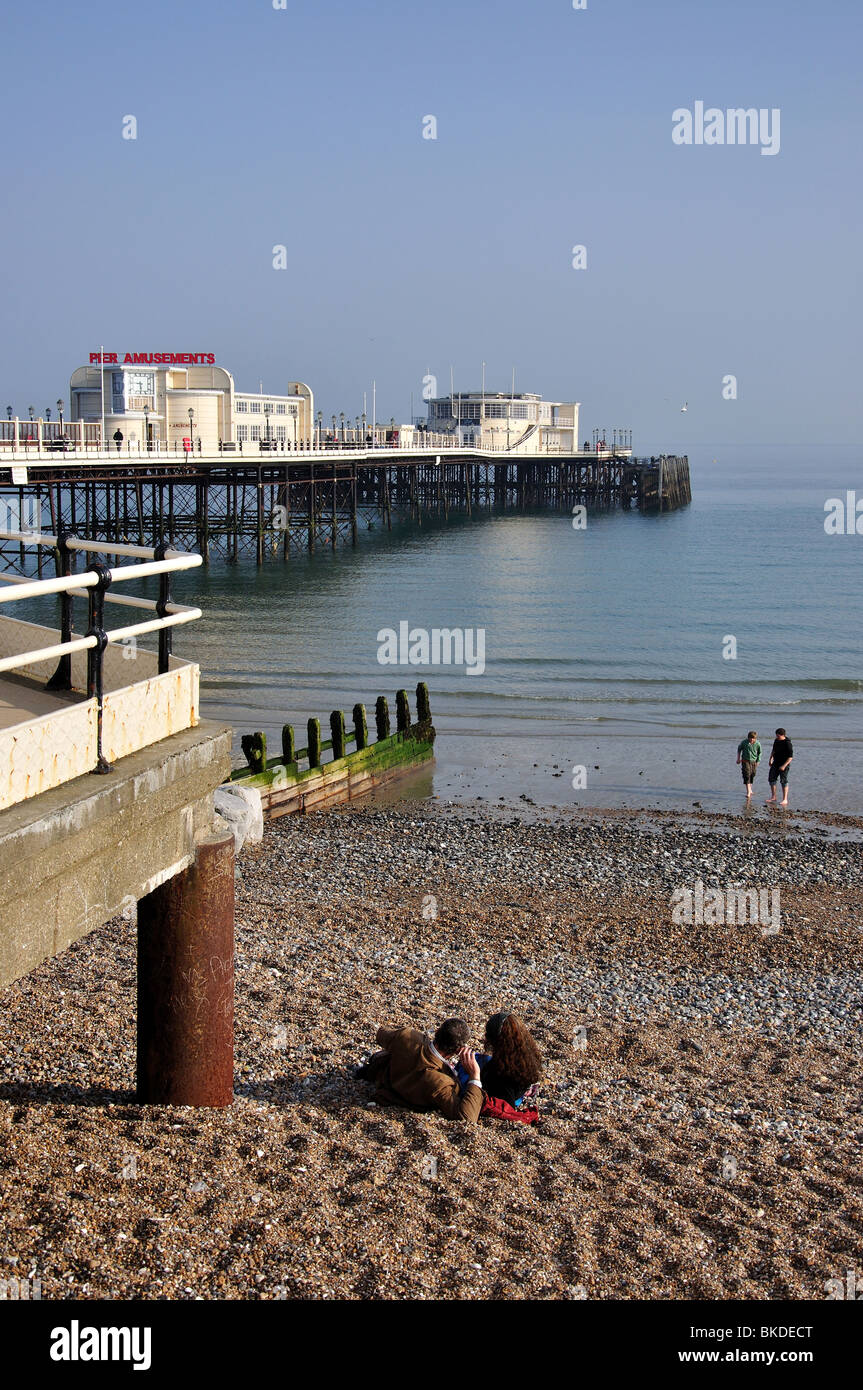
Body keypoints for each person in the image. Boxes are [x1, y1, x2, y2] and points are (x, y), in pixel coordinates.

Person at [356, 1018, 483, 1122]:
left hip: (387, 1081)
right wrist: (475, 1076)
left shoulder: (407, 1037)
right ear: (458, 1050)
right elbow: (467, 1118)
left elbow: (381, 1034)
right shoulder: (441, 1081)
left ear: (438, 1031)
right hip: (407, 1100)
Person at [457, 1012, 543, 1109]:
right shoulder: (528, 1057)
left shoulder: (499, 1073)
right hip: (518, 1090)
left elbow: (506, 1109)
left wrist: (474, 1076)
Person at [766, 727, 794, 806]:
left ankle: (785, 799)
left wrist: (784, 766)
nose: (777, 737)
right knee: (771, 779)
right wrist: (770, 759)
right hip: (775, 763)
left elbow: (790, 757)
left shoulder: (788, 743)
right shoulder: (776, 741)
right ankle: (773, 796)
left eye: (778, 736)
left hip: (784, 764)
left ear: (783, 735)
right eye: (776, 736)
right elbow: (773, 750)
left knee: (783, 781)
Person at [736, 730, 762, 799]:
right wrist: (738, 758)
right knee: (747, 774)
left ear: (755, 738)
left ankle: (750, 789)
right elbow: (739, 749)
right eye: (750, 738)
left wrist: (758, 761)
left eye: (753, 738)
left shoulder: (758, 743)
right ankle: (748, 792)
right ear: (748, 738)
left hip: (754, 761)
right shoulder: (744, 742)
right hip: (745, 761)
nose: (751, 739)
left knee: (752, 774)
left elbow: (760, 753)